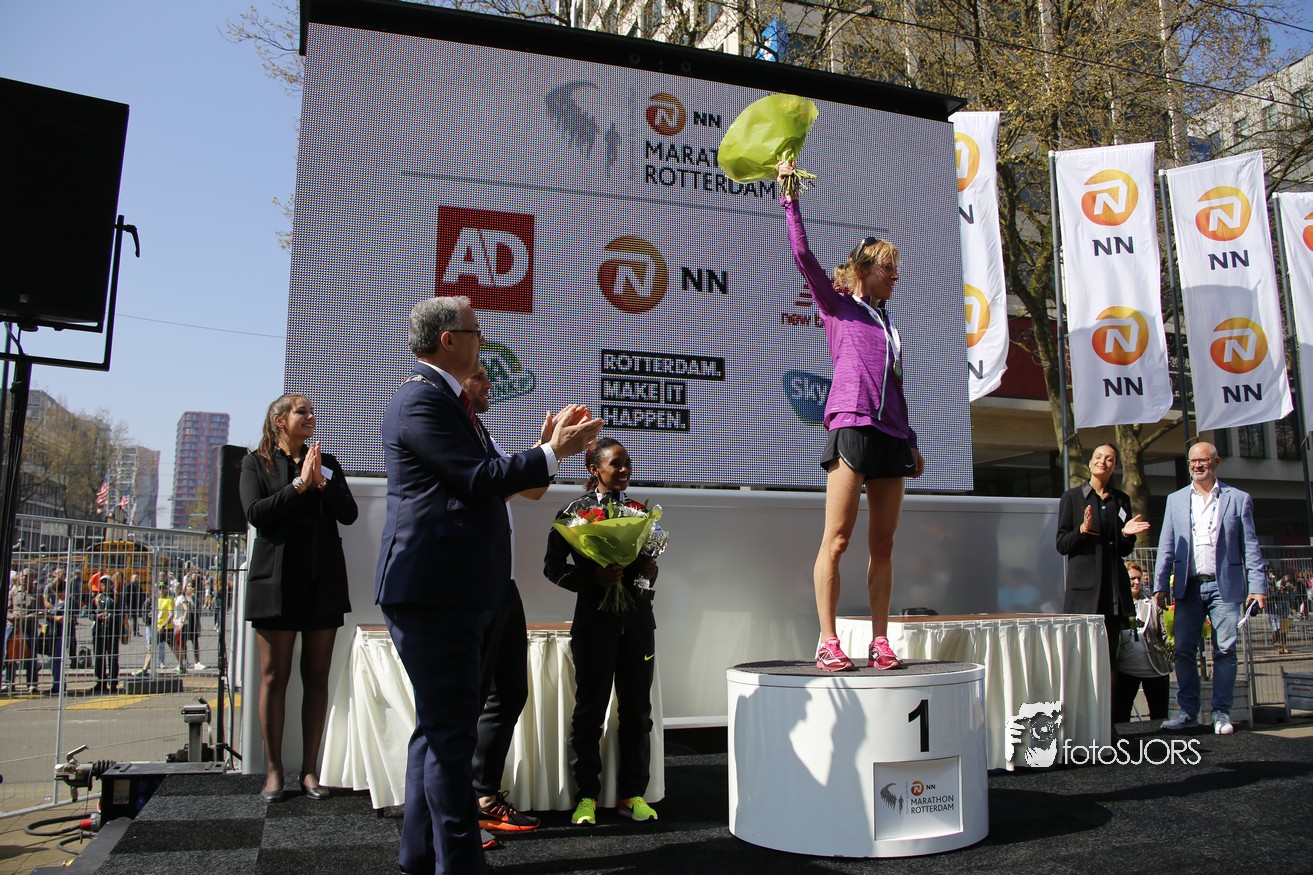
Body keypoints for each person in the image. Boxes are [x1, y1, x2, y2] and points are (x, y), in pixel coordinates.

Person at [375, 296, 600, 875]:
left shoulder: (452, 404)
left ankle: (421, 854)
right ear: (448, 339)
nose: (484, 342)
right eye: (476, 331)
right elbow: (478, 479)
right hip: (435, 590)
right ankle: (459, 863)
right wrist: (553, 451)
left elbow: (496, 480)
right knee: (451, 736)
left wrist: (545, 451)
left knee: (437, 731)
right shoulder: (422, 400)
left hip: (454, 589)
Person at [777, 161, 925, 672]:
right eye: (889, 268)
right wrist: (790, 200)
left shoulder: (888, 323)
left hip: (891, 435)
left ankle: (880, 640)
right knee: (837, 540)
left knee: (883, 543)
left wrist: (910, 438)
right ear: (864, 269)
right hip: (851, 426)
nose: (896, 276)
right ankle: (827, 639)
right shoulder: (838, 306)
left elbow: (895, 385)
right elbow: (802, 254)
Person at [240, 393, 358, 804]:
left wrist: (320, 482)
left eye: (311, 411)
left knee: (317, 676)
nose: (310, 416)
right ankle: (274, 771)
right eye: (301, 411)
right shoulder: (256, 463)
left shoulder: (324, 461)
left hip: (322, 582)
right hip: (275, 584)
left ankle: (310, 769)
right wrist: (298, 486)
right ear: (279, 420)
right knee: (274, 677)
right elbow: (256, 513)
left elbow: (349, 513)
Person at [544, 438, 661, 827]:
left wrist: (648, 572)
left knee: (637, 712)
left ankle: (633, 793)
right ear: (594, 469)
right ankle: (586, 797)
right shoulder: (574, 514)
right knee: (589, 713)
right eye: (616, 464)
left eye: (628, 463)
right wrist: (592, 579)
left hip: (637, 623)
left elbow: (648, 571)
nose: (625, 470)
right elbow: (552, 567)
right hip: (594, 624)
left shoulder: (640, 512)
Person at [462, 366, 549, 842]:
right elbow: (490, 483)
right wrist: (546, 451)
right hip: (474, 585)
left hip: (503, 584)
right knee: (469, 699)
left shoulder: (481, 431)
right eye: (480, 377)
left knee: (510, 692)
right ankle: (459, 811)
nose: (489, 384)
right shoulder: (453, 428)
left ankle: (483, 795)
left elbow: (529, 490)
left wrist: (546, 450)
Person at [1155, 442, 1267, 735]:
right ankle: (1188, 712)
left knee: (1225, 651)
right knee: (1183, 651)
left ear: (1216, 462)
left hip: (1225, 587)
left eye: (1203, 460)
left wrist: (1258, 587)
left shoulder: (1238, 499)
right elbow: (1166, 545)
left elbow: (1251, 546)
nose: (1197, 466)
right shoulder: (1175, 500)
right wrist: (1160, 585)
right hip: (1188, 587)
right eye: (1192, 461)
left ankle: (1221, 713)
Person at [1056, 443, 1151, 703]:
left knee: (1109, 659)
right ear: (1090, 463)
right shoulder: (1072, 498)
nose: (1103, 462)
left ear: (1115, 466)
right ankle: (1082, 716)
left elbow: (1123, 549)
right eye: (1098, 457)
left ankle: (1107, 720)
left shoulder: (1121, 500)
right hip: (1084, 594)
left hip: (1113, 592)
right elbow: (1062, 544)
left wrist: (1126, 534)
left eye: (1109, 459)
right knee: (1081, 658)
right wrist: (1082, 530)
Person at [1112, 561, 1170, 722]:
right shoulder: (1116, 607)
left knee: (1159, 716)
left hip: (1155, 669)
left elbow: (1165, 633)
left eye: (1139, 578)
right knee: (1120, 716)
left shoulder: (1152, 604)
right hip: (1125, 669)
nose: (1137, 582)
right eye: (1132, 579)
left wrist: (1170, 653)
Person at [5, 570, 40, 693]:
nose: (24, 578)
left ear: (32, 578)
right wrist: (11, 617)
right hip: (14, 627)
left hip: (29, 627)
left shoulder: (37, 594)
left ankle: (32, 684)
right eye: (23, 576)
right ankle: (9, 683)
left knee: (31, 655)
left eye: (27, 576)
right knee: (10, 656)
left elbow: (41, 612)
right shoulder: (13, 592)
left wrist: (29, 617)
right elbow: (7, 609)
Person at [90, 578, 122, 694]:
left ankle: (113, 682)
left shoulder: (116, 598)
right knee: (99, 657)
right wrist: (97, 617)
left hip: (112, 631)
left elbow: (121, 613)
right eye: (103, 583)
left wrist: (110, 616)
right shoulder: (97, 598)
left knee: (113, 657)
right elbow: (90, 613)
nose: (105, 585)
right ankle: (100, 681)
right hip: (98, 631)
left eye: (107, 583)